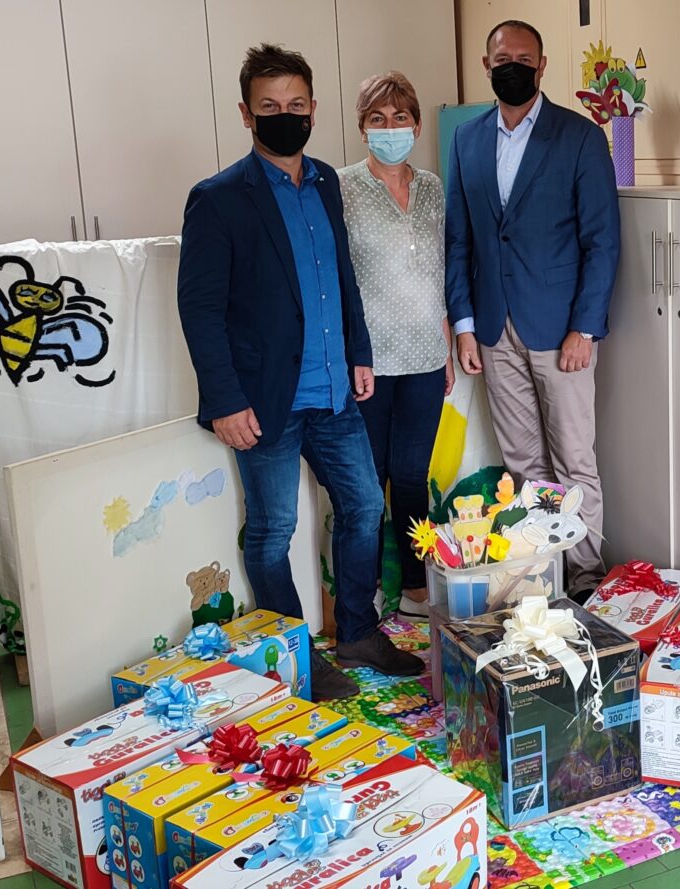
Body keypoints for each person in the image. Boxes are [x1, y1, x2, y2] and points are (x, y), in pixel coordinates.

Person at [177, 43, 422, 700]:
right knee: (272, 530)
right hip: (264, 402)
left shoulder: (325, 183)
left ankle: (359, 631)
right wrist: (225, 399)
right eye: (269, 107)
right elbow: (199, 310)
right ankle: (296, 656)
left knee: (364, 505)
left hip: (335, 392)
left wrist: (360, 352)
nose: (284, 116)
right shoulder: (218, 199)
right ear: (246, 114)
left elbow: (342, 279)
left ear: (313, 109)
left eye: (294, 104)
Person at [445, 19, 620, 595]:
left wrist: (585, 329)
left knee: (574, 461)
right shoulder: (466, 140)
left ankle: (587, 577)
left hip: (561, 329)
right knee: (524, 464)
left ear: (542, 66)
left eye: (524, 59)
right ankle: (548, 576)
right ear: (487, 65)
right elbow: (459, 239)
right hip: (492, 330)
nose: (513, 68)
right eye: (503, 60)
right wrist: (465, 325)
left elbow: (601, 241)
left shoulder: (580, 137)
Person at [338, 72, 452, 621]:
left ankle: (414, 588)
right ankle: (360, 599)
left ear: (417, 125)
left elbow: (439, 270)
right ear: (362, 128)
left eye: (400, 117)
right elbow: (336, 278)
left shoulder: (433, 187)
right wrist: (347, 354)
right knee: (367, 485)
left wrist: (446, 344)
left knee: (410, 479)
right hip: (369, 361)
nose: (390, 128)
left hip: (426, 356)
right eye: (378, 119)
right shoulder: (340, 188)